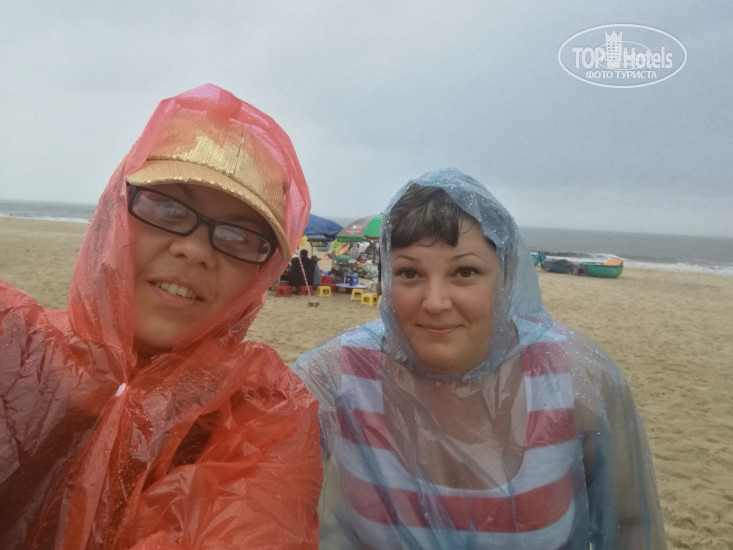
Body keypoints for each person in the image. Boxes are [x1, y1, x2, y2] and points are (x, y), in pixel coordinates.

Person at [0, 84, 322, 549]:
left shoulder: (263, 415)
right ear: (115, 213)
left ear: (263, 274)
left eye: (238, 237)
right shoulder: (13, 340)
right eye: (168, 209)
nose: (194, 250)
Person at [293, 168, 666, 549]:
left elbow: (629, 524)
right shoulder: (333, 378)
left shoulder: (577, 377)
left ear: (506, 276)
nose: (434, 302)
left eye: (465, 271)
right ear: (386, 280)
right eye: (409, 273)